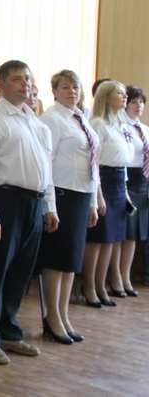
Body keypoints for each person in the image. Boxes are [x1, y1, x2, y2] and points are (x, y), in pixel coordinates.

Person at [0, 60, 58, 365]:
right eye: (18, 79)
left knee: (20, 273)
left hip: (34, 203)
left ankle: (9, 331)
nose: (25, 84)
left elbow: (46, 169)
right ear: (1, 84)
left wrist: (49, 206)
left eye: (28, 79)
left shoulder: (36, 122)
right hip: (5, 201)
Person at [39, 70, 101, 343]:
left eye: (75, 87)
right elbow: (46, 164)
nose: (72, 91)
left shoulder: (80, 118)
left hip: (81, 195)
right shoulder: (52, 119)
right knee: (58, 259)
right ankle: (52, 318)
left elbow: (92, 164)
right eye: (65, 87)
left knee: (71, 262)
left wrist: (93, 201)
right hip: (62, 195)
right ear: (54, 91)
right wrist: (50, 205)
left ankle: (63, 315)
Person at [82, 80, 131, 308]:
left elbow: (124, 161)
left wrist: (126, 192)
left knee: (111, 239)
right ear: (107, 97)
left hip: (119, 183)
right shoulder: (98, 124)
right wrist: (99, 195)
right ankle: (89, 286)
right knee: (98, 239)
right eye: (119, 93)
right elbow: (94, 163)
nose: (124, 97)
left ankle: (102, 285)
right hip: (104, 182)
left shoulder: (120, 125)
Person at [124, 86, 149, 289]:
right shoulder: (122, 127)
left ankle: (128, 276)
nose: (138, 105)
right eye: (134, 101)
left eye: (141, 102)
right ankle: (120, 276)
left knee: (137, 234)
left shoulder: (145, 129)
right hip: (127, 180)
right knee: (126, 231)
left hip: (143, 180)